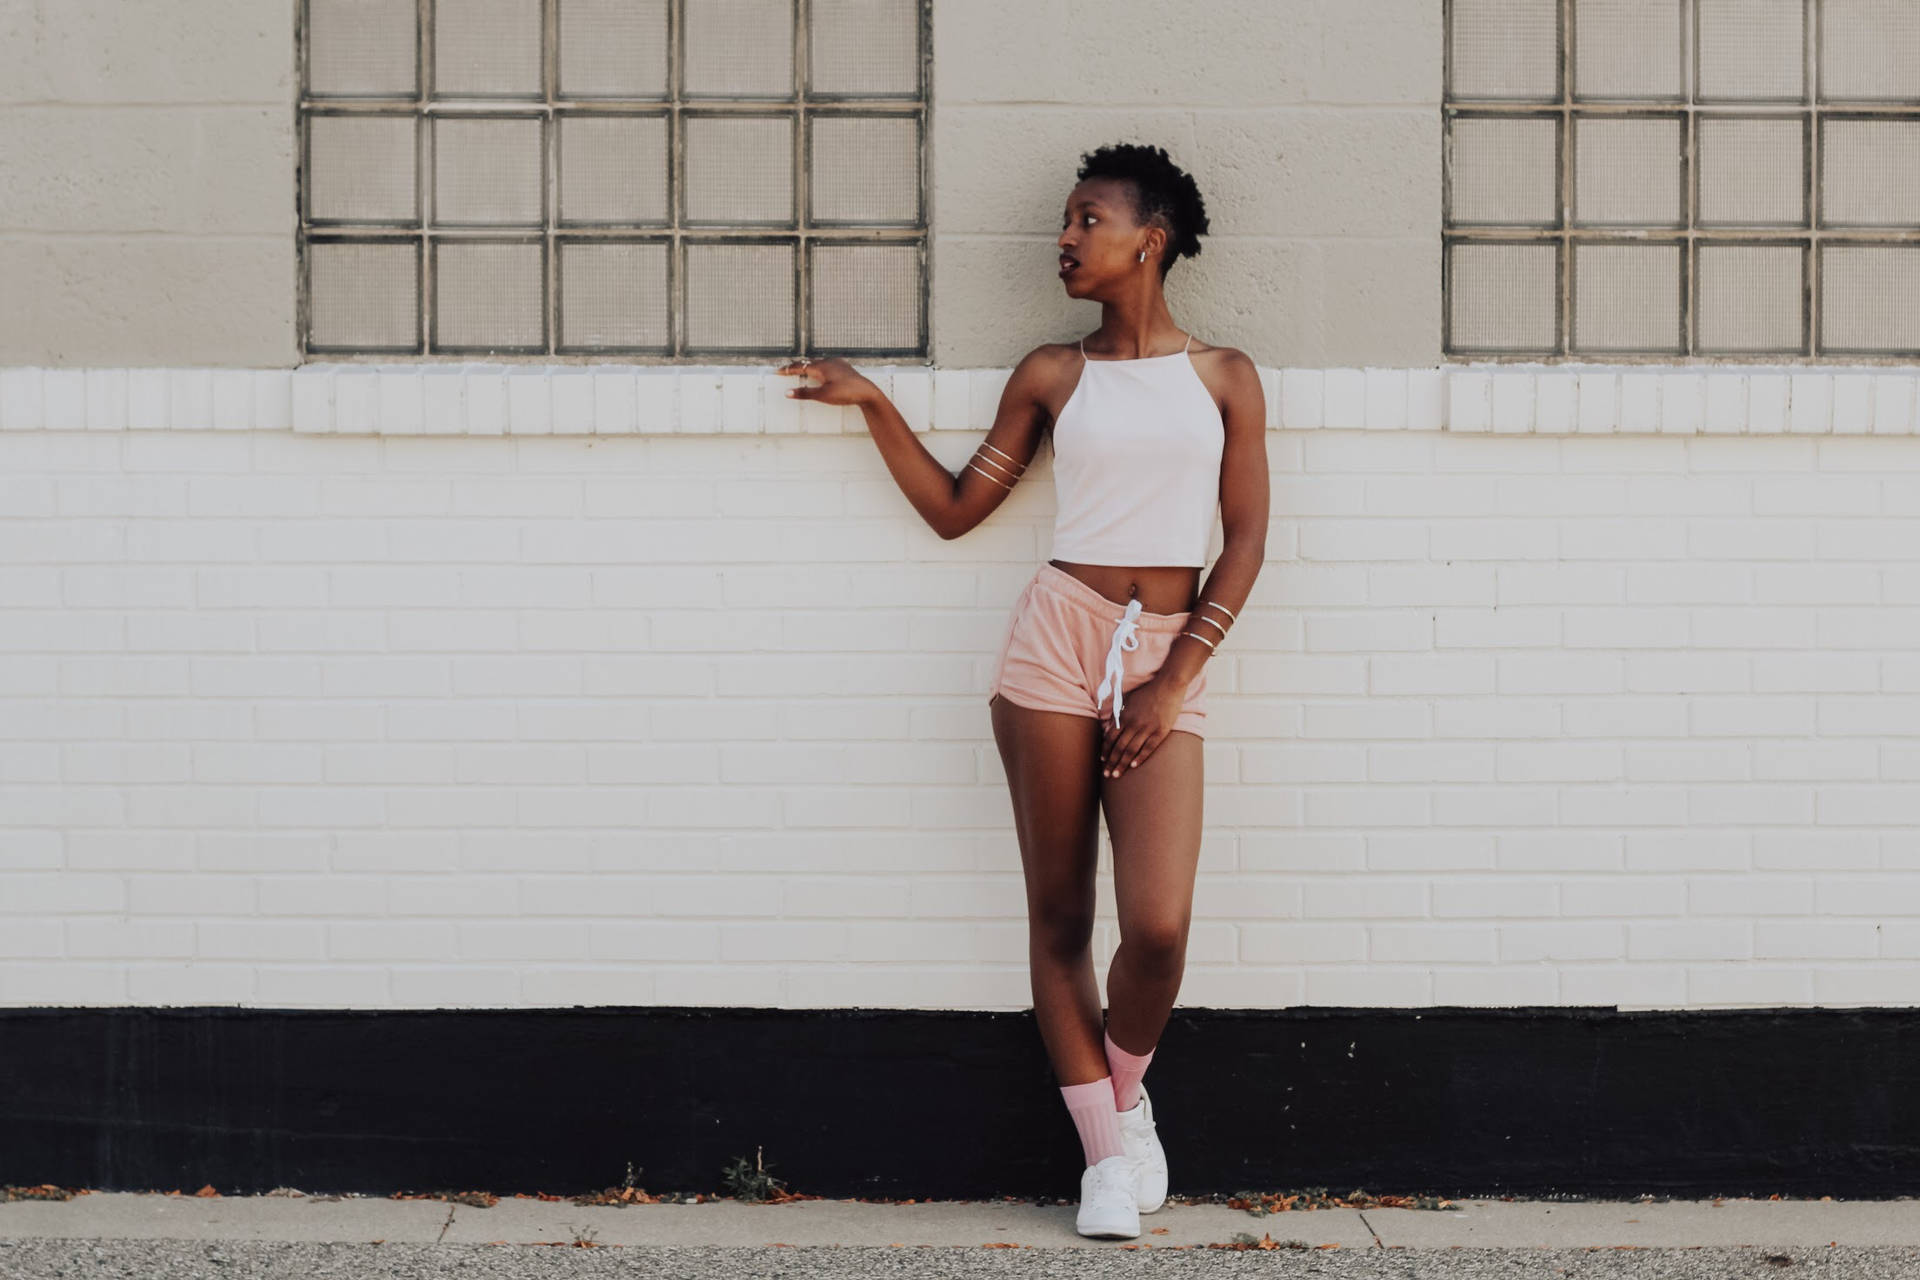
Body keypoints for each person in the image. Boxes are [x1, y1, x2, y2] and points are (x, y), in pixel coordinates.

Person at [776, 142, 1269, 1240]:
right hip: (1053, 644)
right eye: (1065, 220)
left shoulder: (1225, 374)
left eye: (1087, 218)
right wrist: (872, 403)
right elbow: (956, 508)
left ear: (1152, 237)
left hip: (1164, 652)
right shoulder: (1054, 373)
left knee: (1158, 925)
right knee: (1060, 919)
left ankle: (1126, 1102)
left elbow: (1243, 541)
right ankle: (1105, 1161)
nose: (1066, 237)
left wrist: (1175, 675)